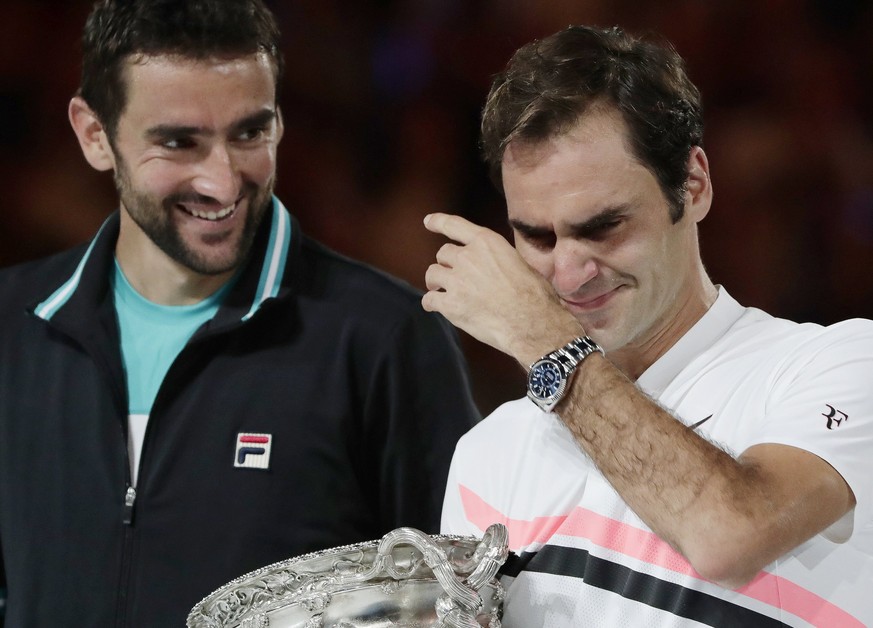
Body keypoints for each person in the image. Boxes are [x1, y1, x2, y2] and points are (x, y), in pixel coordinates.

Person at [0, 1, 480, 625]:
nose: (223, 184)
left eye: (249, 133)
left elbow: (454, 602)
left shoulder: (383, 340)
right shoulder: (11, 328)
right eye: (179, 142)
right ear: (95, 135)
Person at [426, 25, 873, 627]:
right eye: (536, 236)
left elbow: (730, 535)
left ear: (692, 185)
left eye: (602, 226)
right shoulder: (488, 454)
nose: (568, 274)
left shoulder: (840, 365)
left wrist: (544, 343)